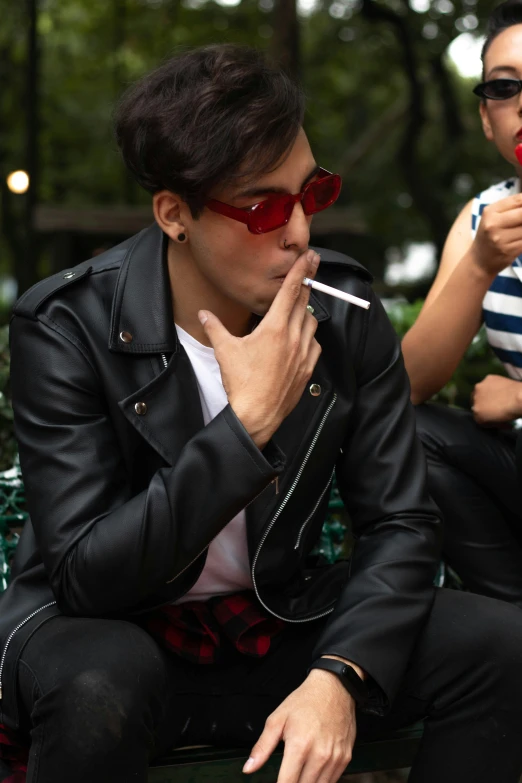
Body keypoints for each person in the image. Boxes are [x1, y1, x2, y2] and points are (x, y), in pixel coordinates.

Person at [1, 43, 522, 783]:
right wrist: (242, 430)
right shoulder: (68, 323)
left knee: (502, 644)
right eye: (263, 206)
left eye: (313, 193)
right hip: (115, 629)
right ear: (174, 214)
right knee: (96, 688)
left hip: (274, 617)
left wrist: (341, 673)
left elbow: (402, 522)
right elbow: (87, 576)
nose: (300, 231)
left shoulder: (343, 314)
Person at [402, 0, 522, 607]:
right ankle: (510, 625)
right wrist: (479, 264)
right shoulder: (484, 216)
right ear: (485, 117)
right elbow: (409, 385)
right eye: (505, 87)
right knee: (415, 433)